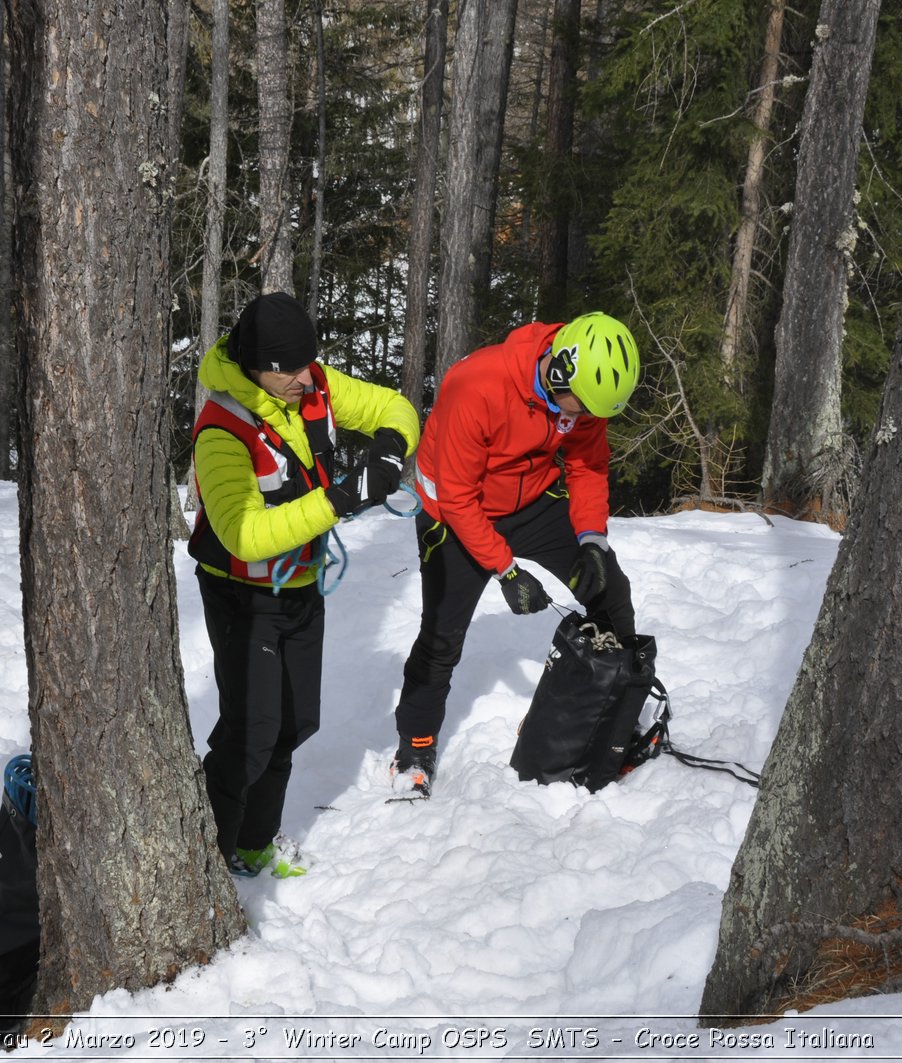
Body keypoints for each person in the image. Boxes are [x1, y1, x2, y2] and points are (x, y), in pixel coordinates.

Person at [190, 292, 420, 876]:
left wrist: (389, 454)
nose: (303, 378)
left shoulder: (310, 381)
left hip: (299, 585)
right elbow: (243, 534)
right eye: (287, 369)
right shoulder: (222, 428)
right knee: (251, 731)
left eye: (307, 363)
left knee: (295, 722)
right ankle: (206, 859)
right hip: (242, 596)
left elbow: (394, 407)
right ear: (254, 366)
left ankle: (253, 842)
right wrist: (340, 498)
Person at [389, 312, 640, 798]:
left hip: (533, 501)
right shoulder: (478, 385)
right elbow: (459, 496)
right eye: (582, 407)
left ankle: (609, 711)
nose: (585, 418)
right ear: (560, 368)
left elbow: (589, 465)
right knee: (442, 636)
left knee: (610, 590)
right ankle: (414, 744)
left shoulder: (584, 392)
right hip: (454, 513)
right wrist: (506, 571)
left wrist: (591, 539)